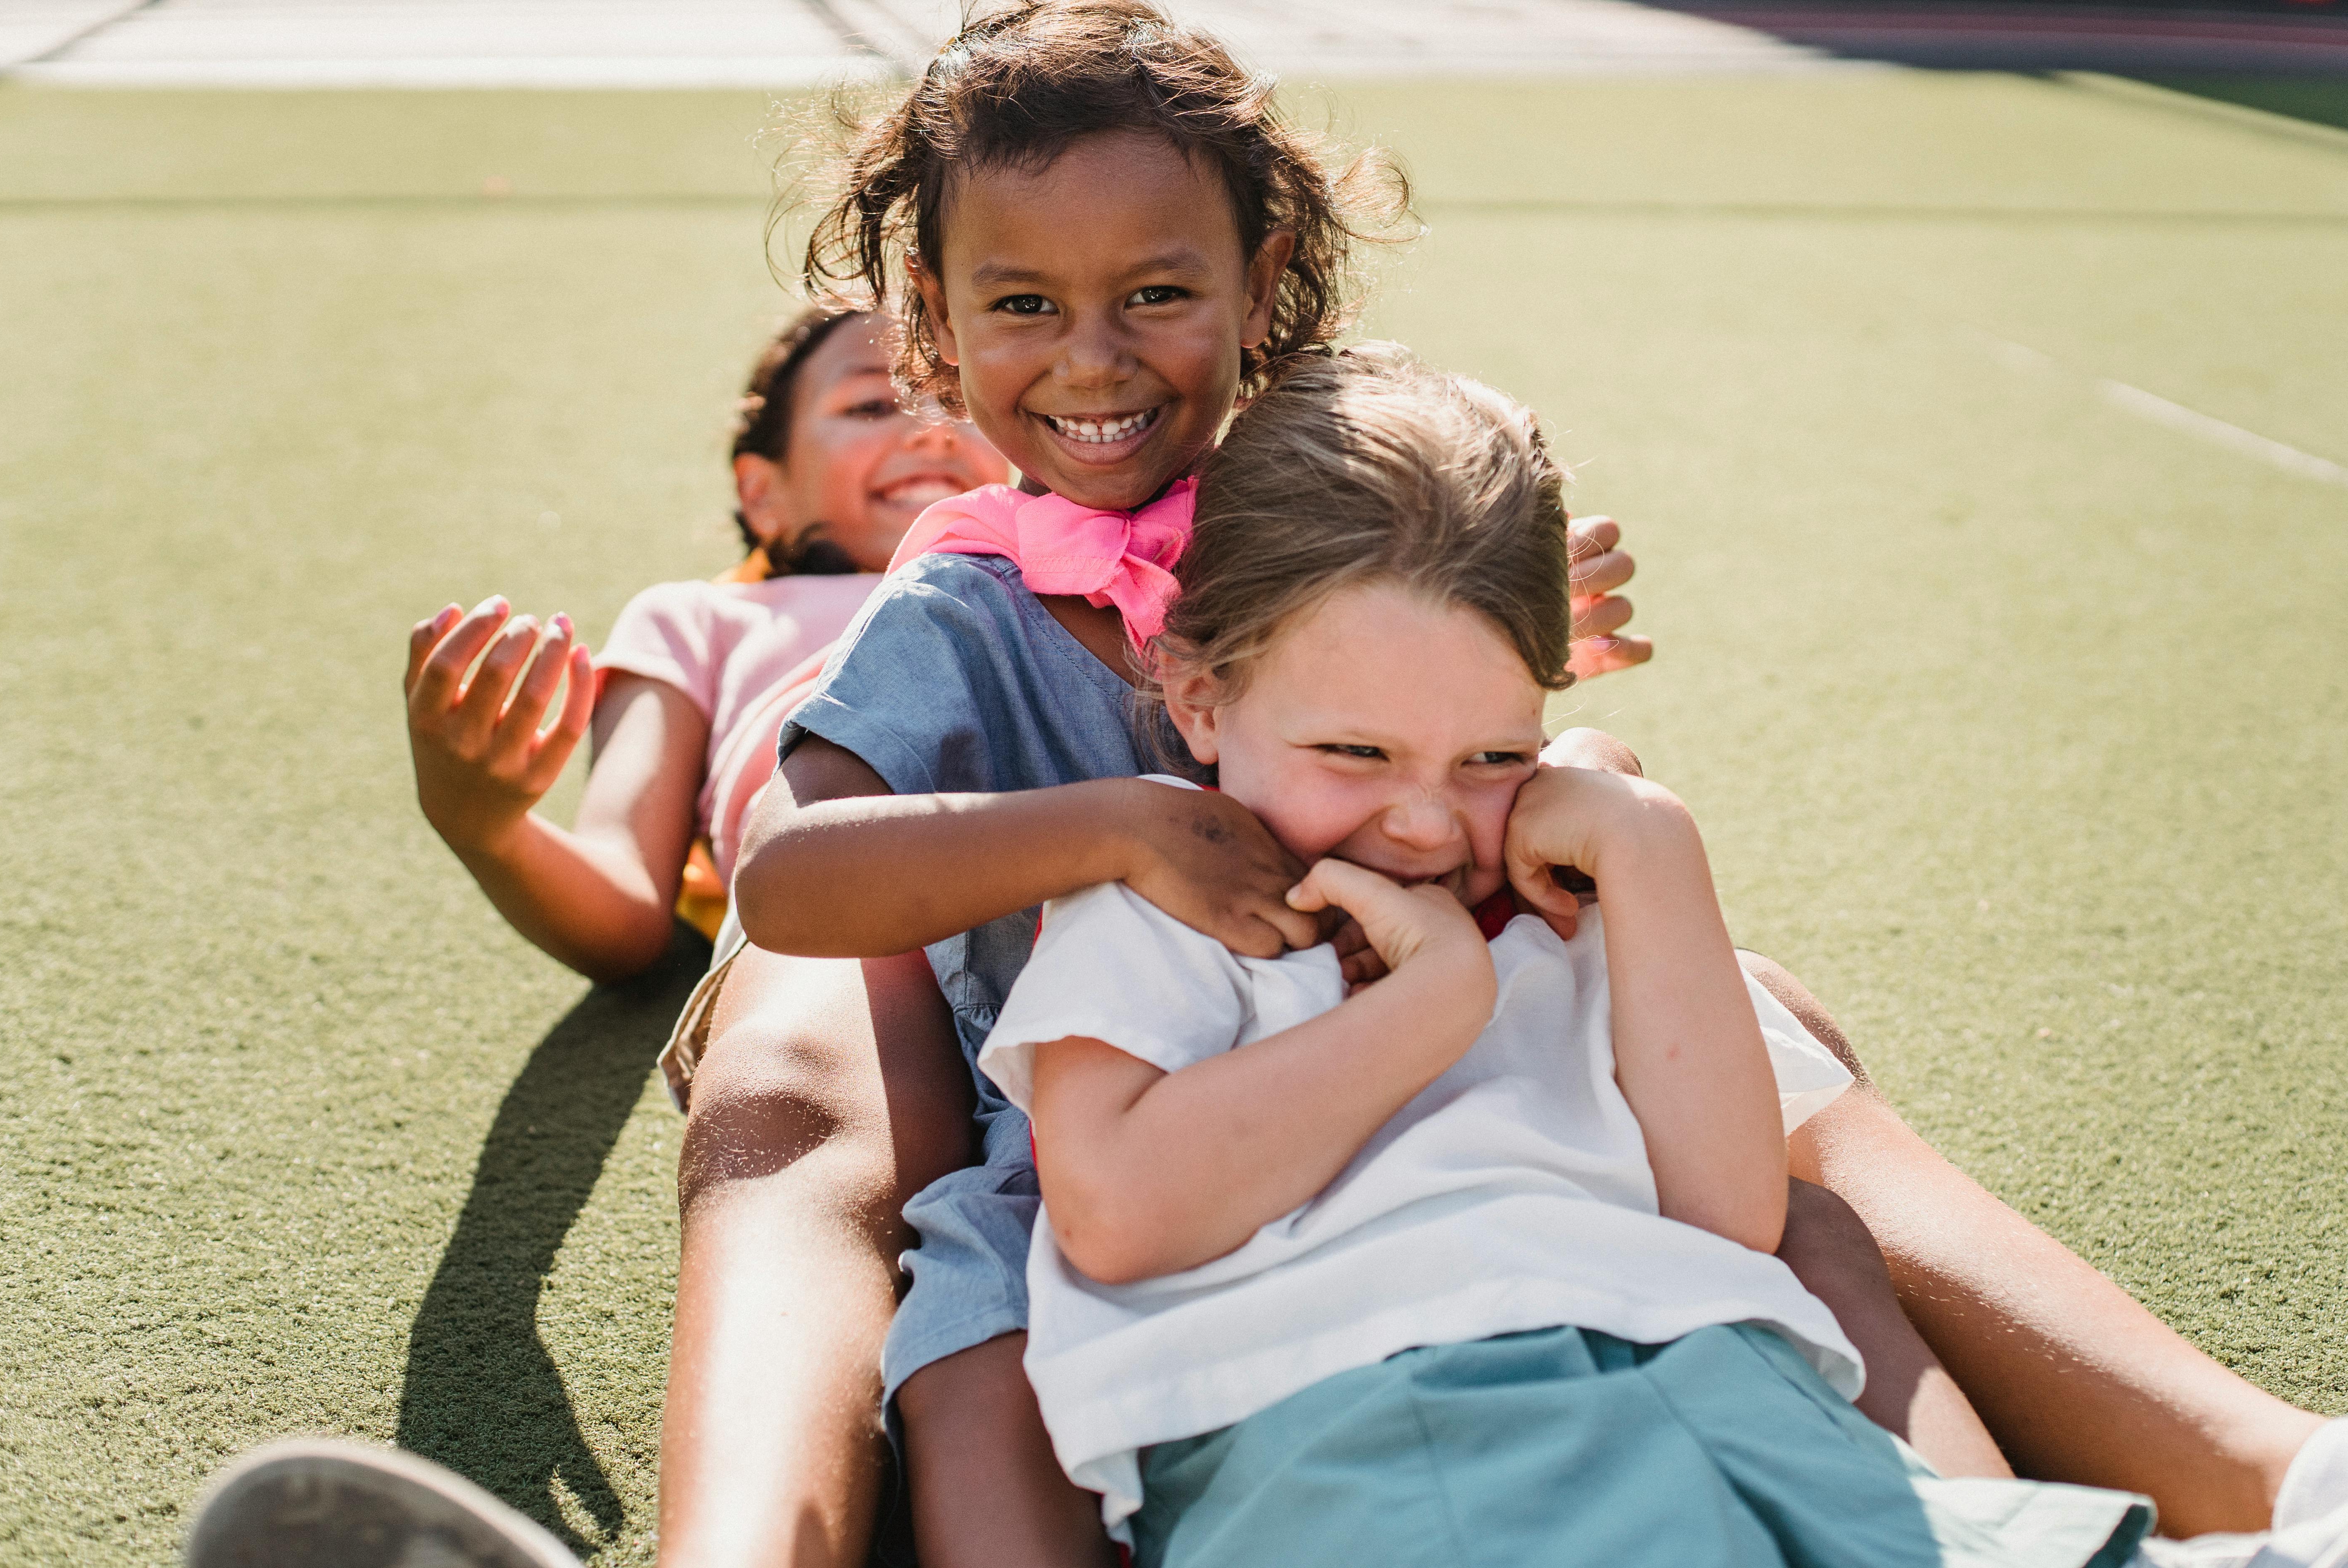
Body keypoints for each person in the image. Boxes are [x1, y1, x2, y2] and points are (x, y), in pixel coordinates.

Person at [681, 5, 2343, 1567]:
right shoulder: (964, 598)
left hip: (1453, 1052)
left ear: (1259, 285)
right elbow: (796, 878)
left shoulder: (1334, 483)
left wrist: (1489, 663)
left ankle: (2081, 1494)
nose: (1094, 359)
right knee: (975, 1348)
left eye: (1158, 295)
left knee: (1796, 1193)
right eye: (1025, 303)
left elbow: (1501, 723)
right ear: (931, 314)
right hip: (1127, 1104)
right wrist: (1120, 823)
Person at [983, 345, 2348, 1568]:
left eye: (1491, 757)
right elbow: (1122, 1212)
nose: (1422, 818)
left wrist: (1647, 845)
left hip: (1730, 1388)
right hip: (1384, 1426)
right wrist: (1435, 1001)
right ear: (1203, 697)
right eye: (1356, 753)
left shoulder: (1563, 892)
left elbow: (1726, 1209)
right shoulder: (1178, 902)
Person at [399, 307, 1007, 1004]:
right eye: (872, 404)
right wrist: (483, 827)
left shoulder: (1074, 583)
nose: (930, 428)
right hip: (832, 943)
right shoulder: (698, 620)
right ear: (763, 493)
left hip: (1059, 889)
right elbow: (625, 911)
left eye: (960, 400)